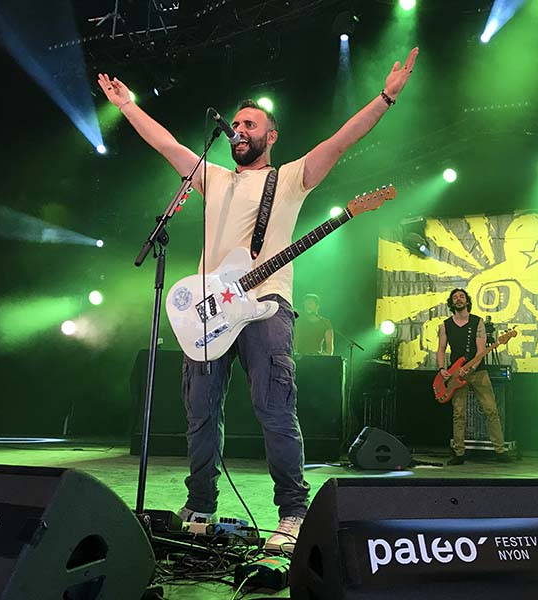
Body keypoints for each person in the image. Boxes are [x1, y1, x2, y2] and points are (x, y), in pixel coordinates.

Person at [98, 46, 418, 552]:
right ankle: (200, 505)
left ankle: (293, 512)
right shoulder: (212, 177)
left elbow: (339, 141)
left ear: (270, 137)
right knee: (200, 413)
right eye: (236, 125)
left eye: (250, 125)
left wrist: (385, 98)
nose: (239, 130)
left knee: (274, 410)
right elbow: (166, 144)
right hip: (208, 312)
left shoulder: (288, 177)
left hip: (266, 306)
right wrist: (127, 106)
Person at [436, 288, 513, 465]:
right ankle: (459, 453)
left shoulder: (477, 322)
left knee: (491, 410)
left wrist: (470, 368)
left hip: (478, 372)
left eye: (461, 296)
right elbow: (441, 349)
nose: (458, 299)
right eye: (455, 297)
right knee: (459, 413)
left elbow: (480, 350)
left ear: (467, 301)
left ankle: (500, 450)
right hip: (455, 374)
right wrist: (441, 369)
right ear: (451, 302)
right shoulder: (445, 325)